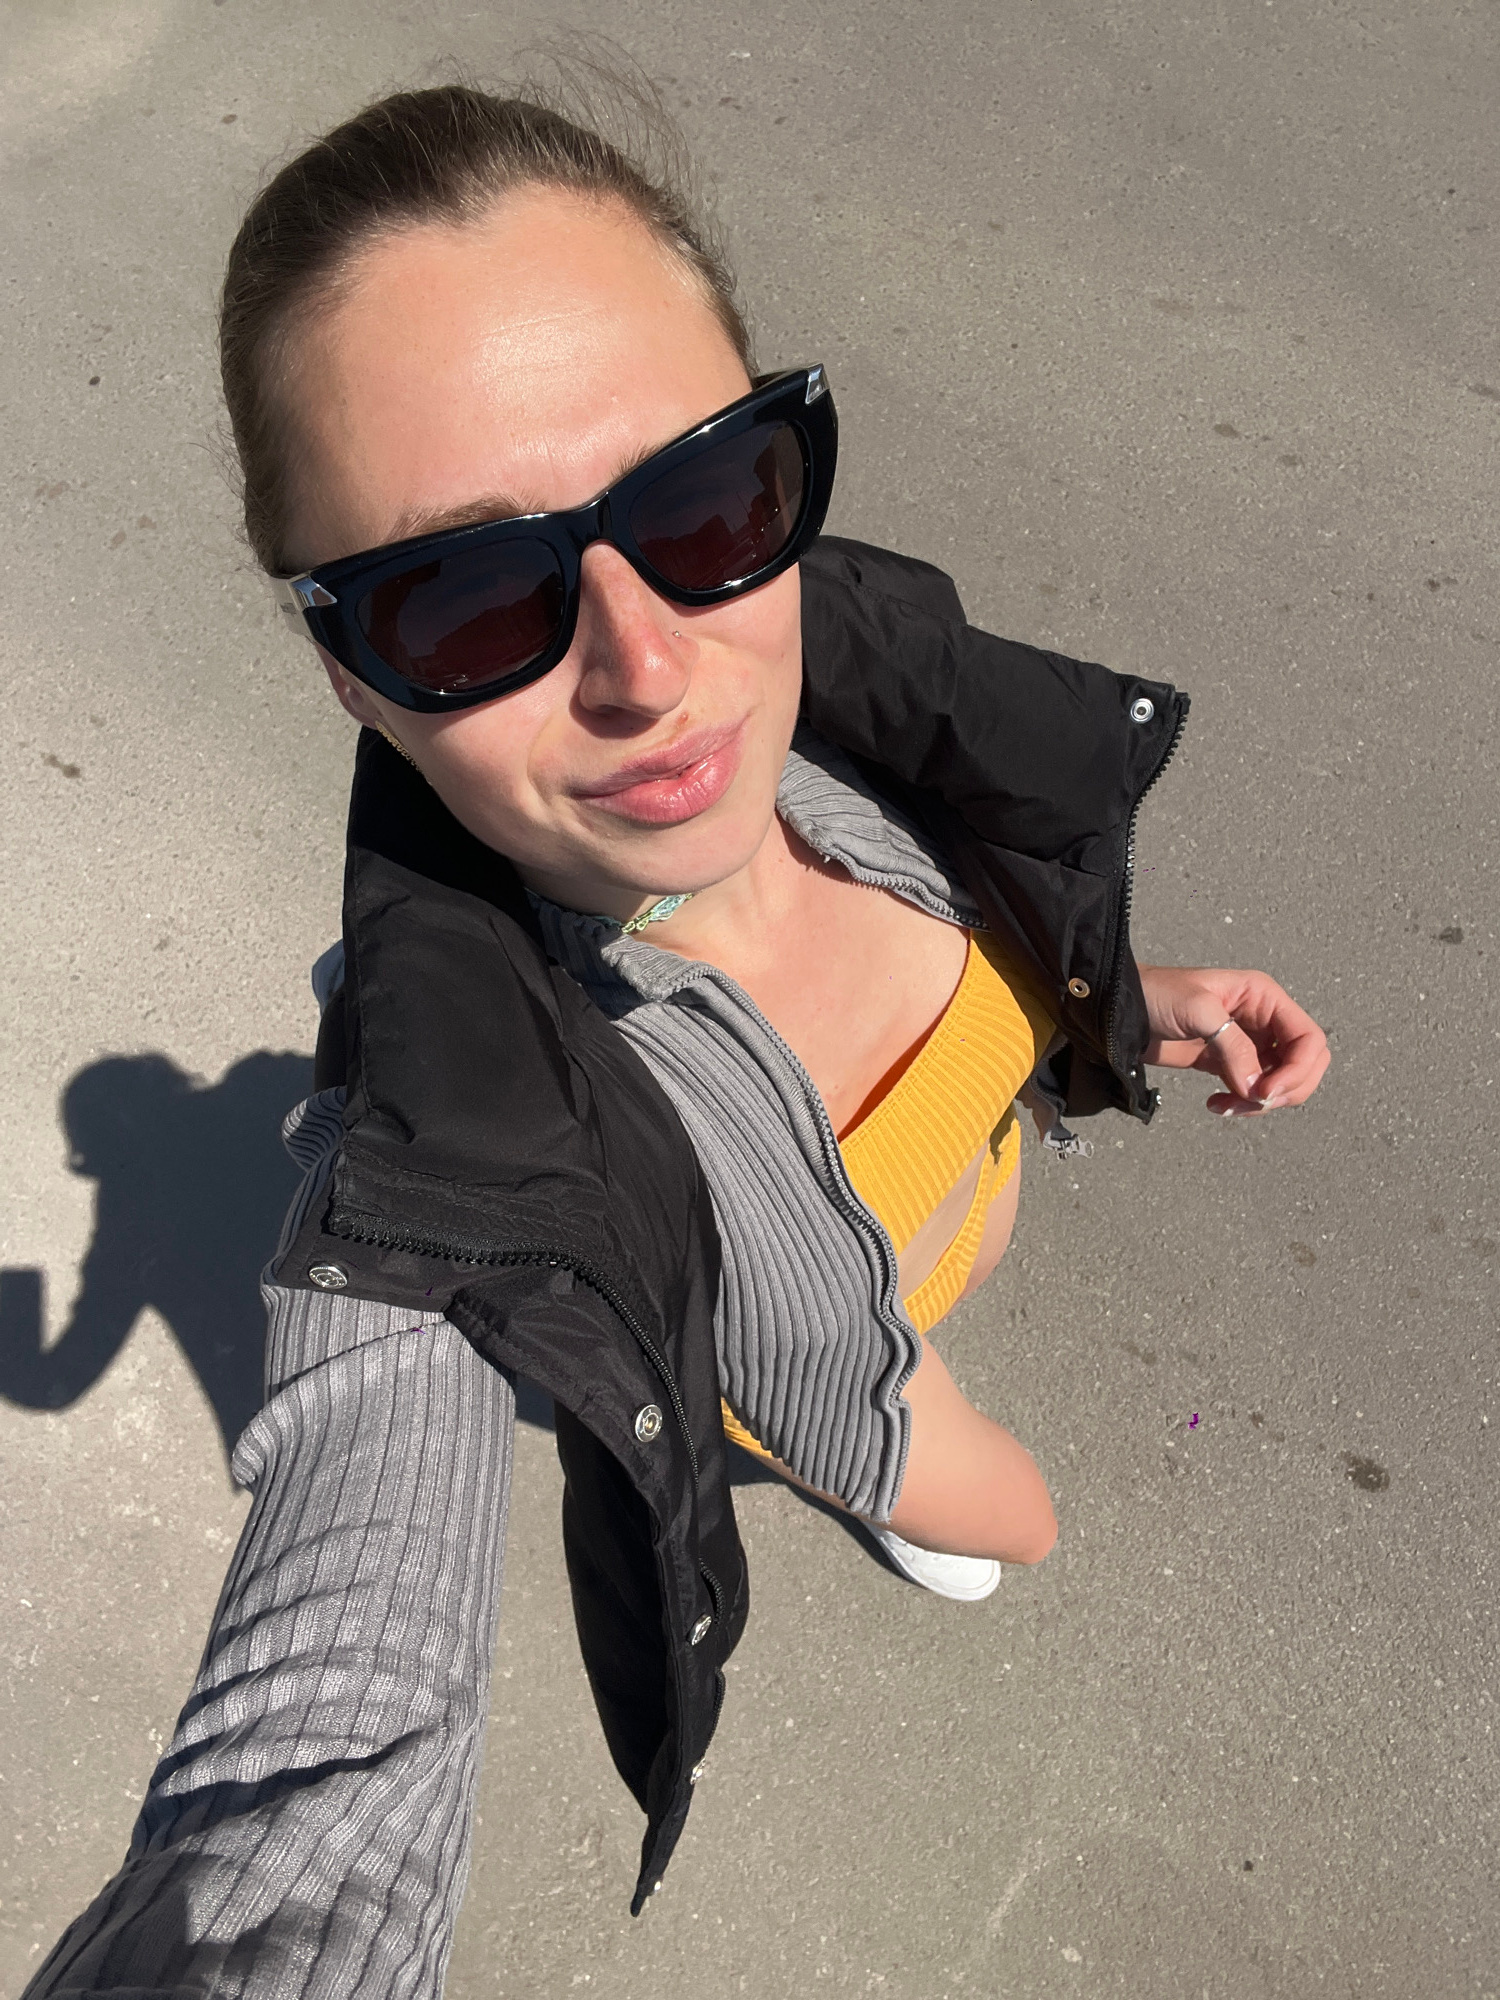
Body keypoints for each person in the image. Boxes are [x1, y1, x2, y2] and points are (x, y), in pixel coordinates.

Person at [26, 74, 1329, 1997]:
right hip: (852, 1378)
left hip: (915, 1271)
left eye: (706, 499)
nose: (651, 669)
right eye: (464, 600)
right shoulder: (523, 1157)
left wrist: (1133, 1002)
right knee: (928, 1488)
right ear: (351, 670)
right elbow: (315, 1793)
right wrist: (991, 1497)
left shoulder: (833, 727)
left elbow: (987, 918)